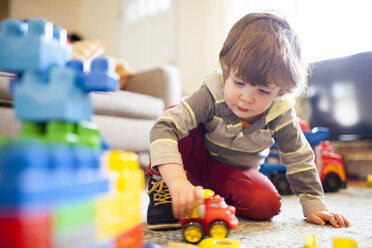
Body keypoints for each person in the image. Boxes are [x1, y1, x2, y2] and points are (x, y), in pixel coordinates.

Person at [146, 12, 350, 230]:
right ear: (226, 68)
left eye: (263, 90)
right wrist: (177, 182)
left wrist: (314, 204)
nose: (247, 98)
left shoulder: (280, 113)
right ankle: (163, 186)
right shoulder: (211, 93)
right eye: (239, 82)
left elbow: (299, 157)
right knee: (173, 115)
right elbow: (164, 128)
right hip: (195, 162)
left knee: (266, 205)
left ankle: (210, 196)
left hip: (233, 172)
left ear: (279, 91)